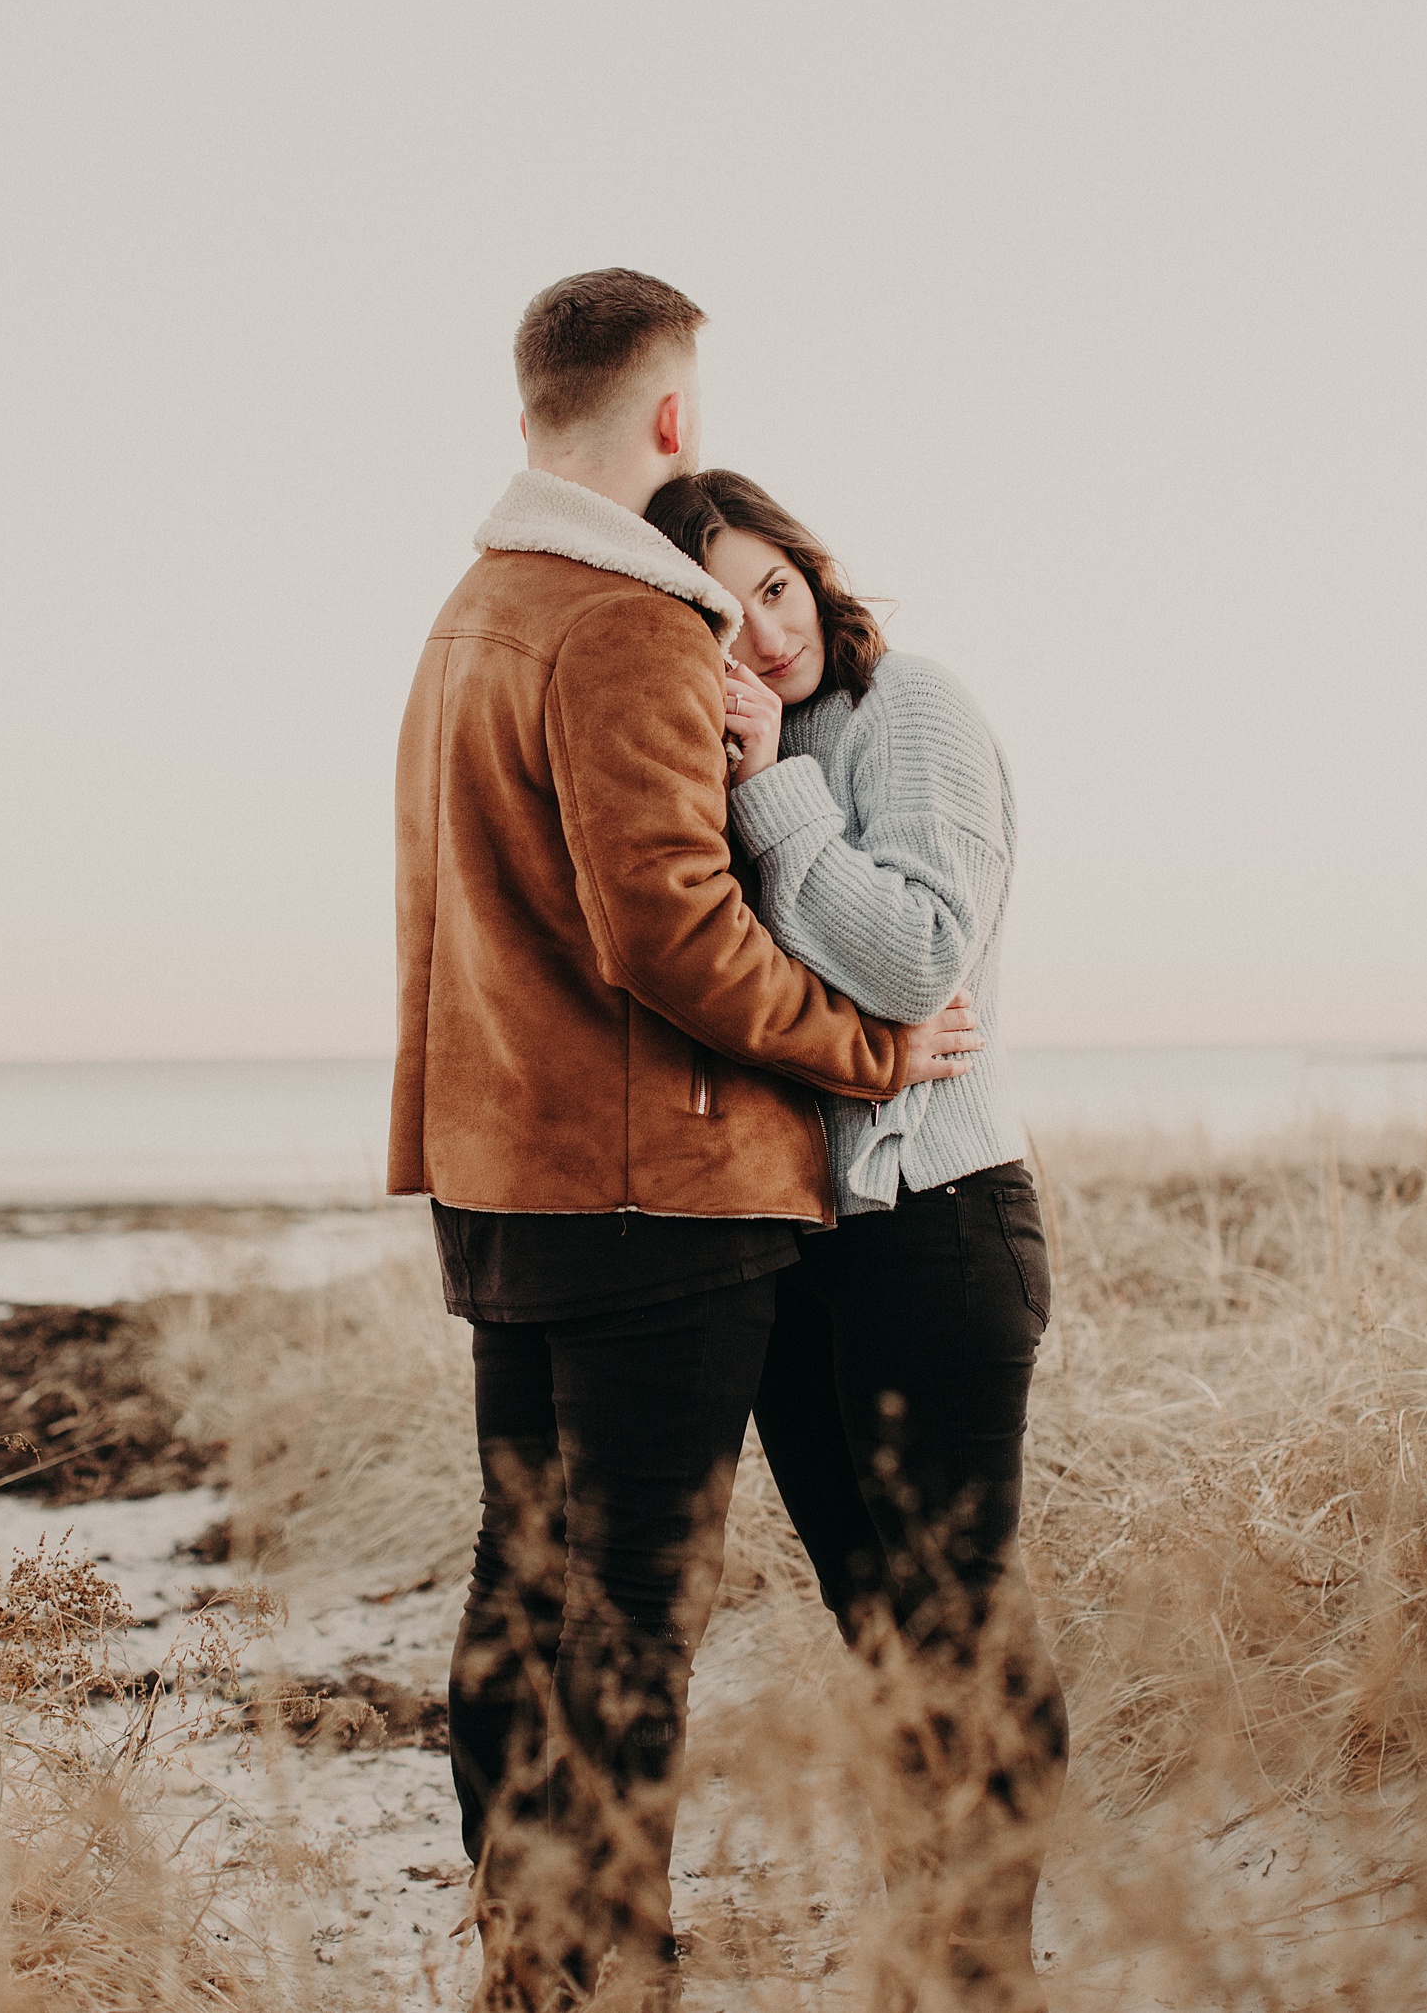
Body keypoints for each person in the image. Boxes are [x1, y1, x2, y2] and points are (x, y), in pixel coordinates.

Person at [388, 271, 975, 2010]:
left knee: (519, 1604)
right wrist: (865, 1045)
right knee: (629, 1625)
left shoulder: (464, 617)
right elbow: (674, 932)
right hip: (658, 1206)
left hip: (503, 1192)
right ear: (669, 421)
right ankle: (598, 1978)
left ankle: (533, 1963)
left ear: (526, 410)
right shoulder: (634, 617)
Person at [644, 468, 1069, 2013]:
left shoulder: (913, 711)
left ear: (810, 566)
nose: (761, 635)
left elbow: (916, 956)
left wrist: (774, 793)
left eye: (773, 585)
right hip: (807, 1252)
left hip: (941, 1230)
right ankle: (927, 1937)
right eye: (720, 612)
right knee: (879, 1623)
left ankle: (979, 1969)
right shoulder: (728, 751)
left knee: (955, 1618)